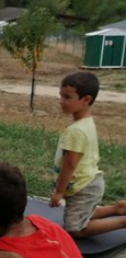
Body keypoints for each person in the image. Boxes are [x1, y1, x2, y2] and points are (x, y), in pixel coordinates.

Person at [49, 71, 126, 238]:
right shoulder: (85, 122)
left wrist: (59, 192)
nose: (61, 101)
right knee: (78, 215)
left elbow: (70, 164)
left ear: (86, 100)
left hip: (84, 187)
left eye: (67, 97)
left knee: (75, 229)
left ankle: (122, 221)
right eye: (61, 95)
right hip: (86, 182)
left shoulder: (76, 131)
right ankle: (118, 209)